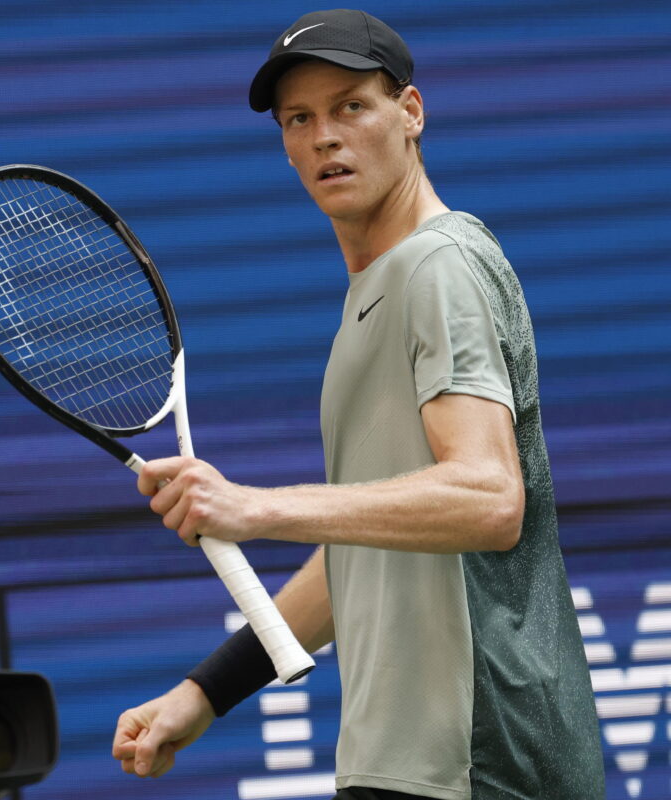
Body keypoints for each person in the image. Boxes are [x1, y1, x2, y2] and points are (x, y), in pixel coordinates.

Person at [112, 9, 605, 799]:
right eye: (298, 119)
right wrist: (201, 695)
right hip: (403, 760)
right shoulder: (375, 296)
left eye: (351, 106)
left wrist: (254, 507)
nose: (324, 138)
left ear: (410, 113)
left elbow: (488, 499)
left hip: (478, 758)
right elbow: (365, 555)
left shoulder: (437, 268)